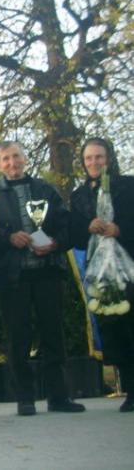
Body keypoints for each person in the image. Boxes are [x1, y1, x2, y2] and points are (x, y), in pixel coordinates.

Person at [0, 141, 85, 416]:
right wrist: (8, 238)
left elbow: (66, 227)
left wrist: (54, 244)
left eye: (16, 156)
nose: (12, 163)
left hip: (47, 271)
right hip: (11, 276)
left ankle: (59, 396)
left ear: (25, 159)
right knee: (18, 337)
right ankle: (24, 398)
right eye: (5, 159)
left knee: (54, 334)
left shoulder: (45, 189)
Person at [70, 137, 134, 412]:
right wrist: (88, 226)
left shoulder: (128, 186)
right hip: (100, 271)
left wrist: (120, 230)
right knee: (114, 328)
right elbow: (75, 236)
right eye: (89, 158)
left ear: (109, 158)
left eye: (99, 157)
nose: (94, 162)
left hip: (129, 267)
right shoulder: (79, 196)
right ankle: (130, 389)